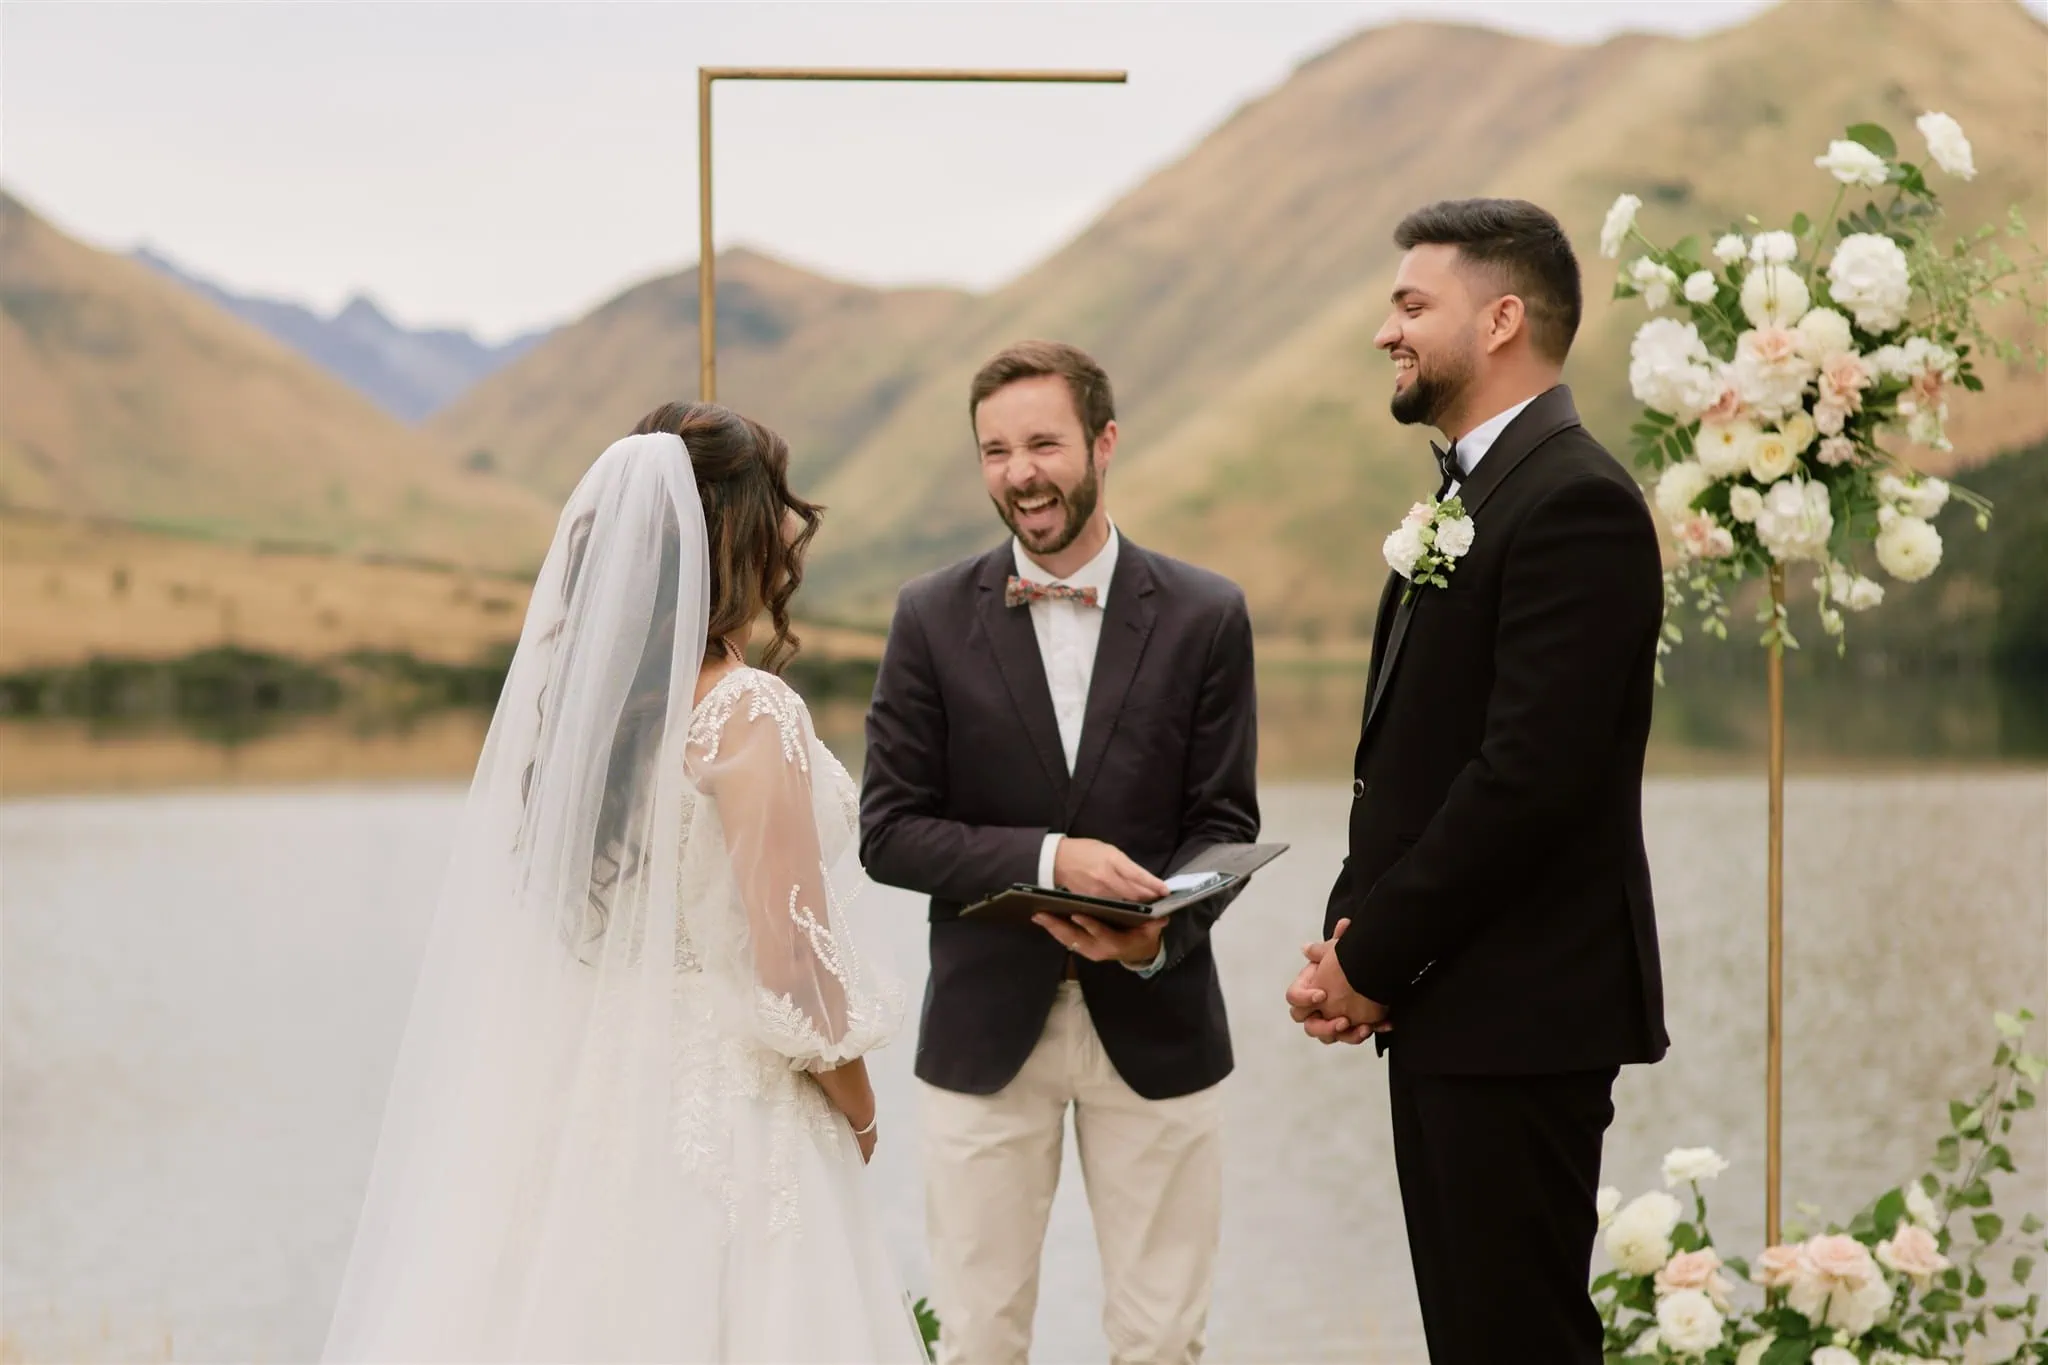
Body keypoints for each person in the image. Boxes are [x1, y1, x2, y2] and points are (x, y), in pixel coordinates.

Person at [323, 403, 924, 1363]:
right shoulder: (747, 710)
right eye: (773, 513)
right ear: (735, 533)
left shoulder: (583, 718)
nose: (784, 539)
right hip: (730, 1113)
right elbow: (788, 962)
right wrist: (859, 1100)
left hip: (591, 1094)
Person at [1286, 199, 1669, 1364]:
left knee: (1517, 1340)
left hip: (1522, 1012)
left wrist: (1371, 957)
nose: (1382, 332)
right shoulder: (1473, 495)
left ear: (1500, 319)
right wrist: (1353, 935)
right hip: (1451, 1000)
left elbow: (1526, 781)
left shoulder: (1574, 503)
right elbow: (1412, 752)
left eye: (1411, 305)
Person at [860, 340, 1259, 1365]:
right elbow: (889, 830)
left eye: (1041, 442)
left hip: (1159, 1024)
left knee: (1161, 1340)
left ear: (1103, 443)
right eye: (995, 450)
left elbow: (1224, 821)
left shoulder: (1206, 614)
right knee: (980, 1338)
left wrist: (1152, 939)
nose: (1019, 473)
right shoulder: (927, 617)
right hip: (984, 1036)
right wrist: (1049, 859)